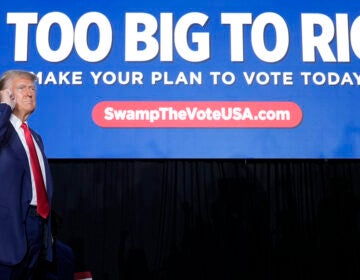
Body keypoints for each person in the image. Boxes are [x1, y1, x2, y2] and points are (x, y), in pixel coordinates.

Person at [0, 70, 53, 279]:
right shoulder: (4, 132)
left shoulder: (35, 137)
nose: (30, 93)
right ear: (6, 95)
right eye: (22, 88)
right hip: (8, 232)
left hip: (36, 226)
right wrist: (4, 107)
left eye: (32, 88)